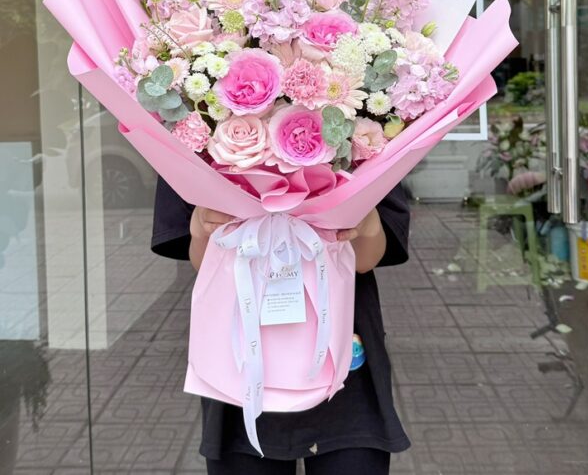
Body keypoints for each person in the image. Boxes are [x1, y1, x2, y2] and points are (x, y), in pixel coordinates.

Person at [152, 175, 412, 474]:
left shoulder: (366, 146)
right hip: (241, 369)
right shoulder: (195, 149)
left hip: (346, 363)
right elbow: (202, 259)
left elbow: (364, 258)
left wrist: (365, 222)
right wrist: (202, 226)